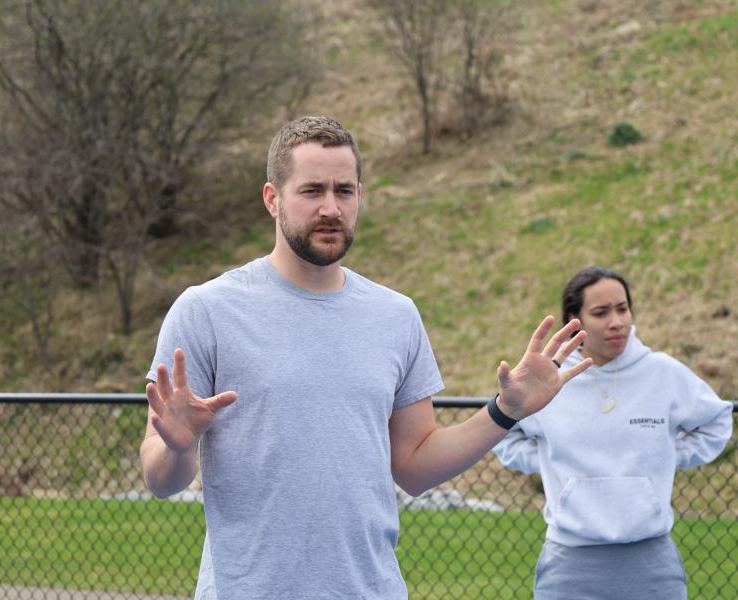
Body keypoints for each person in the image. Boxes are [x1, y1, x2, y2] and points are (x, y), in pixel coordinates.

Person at [139, 115, 592, 599]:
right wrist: (180, 447)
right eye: (312, 191)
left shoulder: (395, 316)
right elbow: (161, 479)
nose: (331, 208)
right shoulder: (207, 310)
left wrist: (507, 411)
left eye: (345, 191)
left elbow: (415, 467)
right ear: (273, 199)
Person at [492, 265, 733, 600]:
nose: (616, 321)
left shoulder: (662, 373)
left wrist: (665, 455)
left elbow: (717, 420)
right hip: (569, 563)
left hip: (651, 562)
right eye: (601, 312)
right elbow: (503, 432)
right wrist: (551, 460)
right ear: (574, 321)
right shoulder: (550, 381)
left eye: (622, 308)